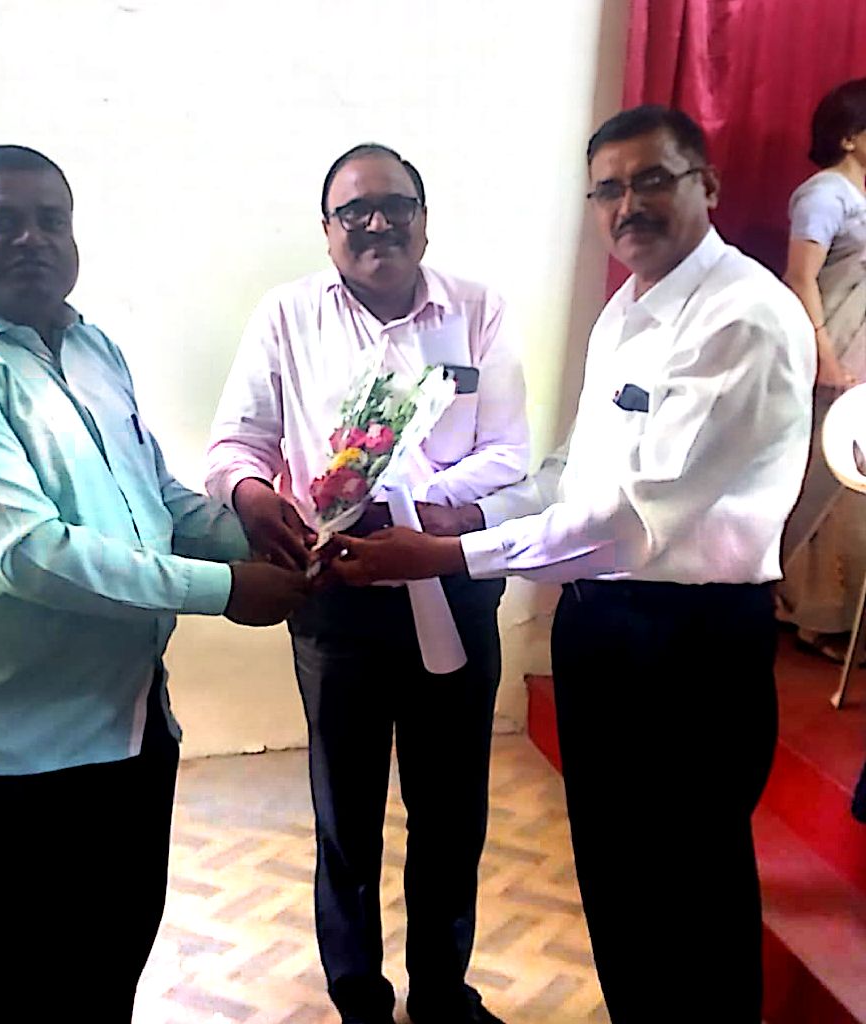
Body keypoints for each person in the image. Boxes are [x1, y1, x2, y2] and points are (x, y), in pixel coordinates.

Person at [323, 108, 816, 1023]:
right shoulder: (627, 311)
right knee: (620, 891)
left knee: (693, 899)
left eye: (653, 179)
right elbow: (571, 475)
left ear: (707, 184)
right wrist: (467, 515)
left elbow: (631, 518)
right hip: (601, 632)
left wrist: (450, 550)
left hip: (691, 647)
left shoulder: (742, 317)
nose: (629, 205)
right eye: (609, 189)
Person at [0, 144, 307, 1024]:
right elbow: (30, 553)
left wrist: (263, 531)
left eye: (51, 220)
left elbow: (154, 497)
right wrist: (226, 589)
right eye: (0, 221)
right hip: (1, 751)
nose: (32, 239)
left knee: (104, 973)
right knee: (9, 998)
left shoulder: (92, 346)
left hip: (125, 726)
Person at [206, 143, 529, 1024]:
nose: (377, 223)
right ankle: (357, 997)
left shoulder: (479, 309)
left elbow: (510, 455)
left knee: (451, 811)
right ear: (328, 229)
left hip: (450, 582)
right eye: (355, 211)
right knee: (345, 816)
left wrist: (414, 510)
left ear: (425, 219)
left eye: (396, 205)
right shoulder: (287, 315)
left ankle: (442, 994)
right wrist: (252, 495)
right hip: (335, 597)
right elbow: (236, 442)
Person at [779, 77, 866, 663]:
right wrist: (825, 356)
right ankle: (809, 613)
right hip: (830, 354)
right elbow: (800, 277)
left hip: (860, 360)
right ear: (850, 136)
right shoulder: (825, 194)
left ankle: (842, 615)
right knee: (822, 476)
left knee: (853, 486)